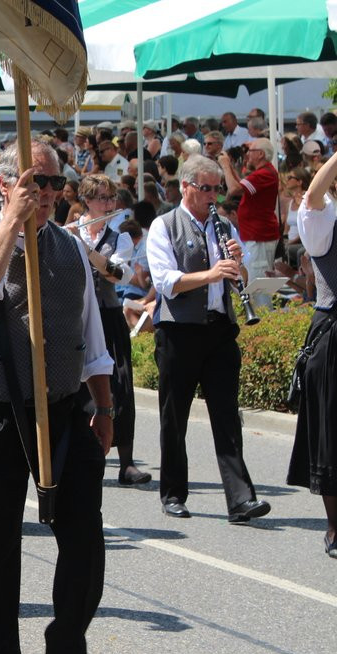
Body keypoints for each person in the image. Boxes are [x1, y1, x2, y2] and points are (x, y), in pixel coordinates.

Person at [0, 141, 112, 654]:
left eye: (52, 185)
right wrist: (11, 227)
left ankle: (68, 650)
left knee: (86, 540)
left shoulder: (70, 247)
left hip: (65, 407)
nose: (45, 194)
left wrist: (106, 405)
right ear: (6, 187)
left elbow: (91, 334)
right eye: (34, 184)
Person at [146, 155, 272, 523]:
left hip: (219, 329)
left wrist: (238, 265)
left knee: (226, 415)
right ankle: (172, 493)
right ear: (186, 187)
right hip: (179, 331)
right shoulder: (163, 226)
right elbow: (166, 282)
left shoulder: (224, 226)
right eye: (205, 188)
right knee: (175, 415)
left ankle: (240, 499)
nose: (213, 196)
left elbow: (239, 276)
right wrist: (212, 273)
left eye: (217, 188)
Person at [71, 175, 150, 485]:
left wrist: (86, 250)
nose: (108, 205)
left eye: (111, 199)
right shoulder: (69, 231)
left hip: (107, 315)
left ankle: (127, 463)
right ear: (87, 201)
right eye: (102, 198)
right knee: (77, 385)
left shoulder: (120, 238)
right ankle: (82, 455)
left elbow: (119, 274)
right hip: (76, 316)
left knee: (120, 384)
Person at [289, 150, 337, 558]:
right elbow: (314, 193)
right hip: (334, 333)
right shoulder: (323, 220)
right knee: (332, 432)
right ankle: (336, 527)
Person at [219, 138, 281, 307]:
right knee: (255, 280)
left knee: (258, 284)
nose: (247, 155)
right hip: (256, 235)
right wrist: (230, 166)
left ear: (260, 154)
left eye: (250, 151)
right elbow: (241, 185)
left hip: (259, 236)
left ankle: (264, 320)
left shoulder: (265, 173)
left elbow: (234, 190)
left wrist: (225, 165)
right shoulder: (263, 173)